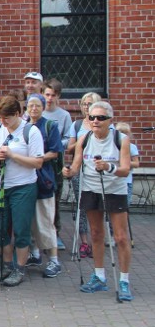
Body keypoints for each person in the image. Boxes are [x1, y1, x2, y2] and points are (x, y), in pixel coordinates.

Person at [63, 101, 133, 300]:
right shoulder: (84, 139)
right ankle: (99, 276)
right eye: (92, 117)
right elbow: (76, 166)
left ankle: (124, 280)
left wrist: (108, 167)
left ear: (110, 120)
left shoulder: (121, 139)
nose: (95, 121)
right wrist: (68, 171)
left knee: (120, 237)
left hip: (114, 189)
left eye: (101, 118)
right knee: (95, 233)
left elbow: (126, 169)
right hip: (91, 189)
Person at [0, 95, 44, 287]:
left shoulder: (30, 131)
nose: (3, 121)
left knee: (20, 229)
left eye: (7, 117)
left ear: (18, 114)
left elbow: (38, 162)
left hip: (23, 187)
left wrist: (12, 155)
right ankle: (7, 264)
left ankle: (19, 268)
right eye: (0, 117)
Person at [24, 94, 64, 278]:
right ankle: (35, 253)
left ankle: (54, 260)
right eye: (30, 105)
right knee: (31, 219)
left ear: (43, 107)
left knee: (46, 221)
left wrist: (37, 158)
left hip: (43, 179)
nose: (33, 109)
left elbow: (55, 152)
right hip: (25, 178)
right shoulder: (23, 126)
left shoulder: (50, 126)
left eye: (37, 105)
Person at [41, 78, 73, 249]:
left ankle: (56, 233)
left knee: (55, 199)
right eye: (47, 94)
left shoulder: (64, 115)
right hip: (39, 160)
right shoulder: (38, 112)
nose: (50, 98)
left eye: (53, 95)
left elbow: (69, 138)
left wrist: (57, 143)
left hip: (56, 163)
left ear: (58, 96)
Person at [70, 91, 101, 258]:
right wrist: (81, 144)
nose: (86, 107)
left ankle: (97, 239)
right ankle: (83, 242)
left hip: (98, 172)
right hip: (80, 169)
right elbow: (69, 147)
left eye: (90, 104)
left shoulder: (104, 124)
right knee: (81, 205)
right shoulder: (76, 125)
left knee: (98, 207)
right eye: (84, 104)